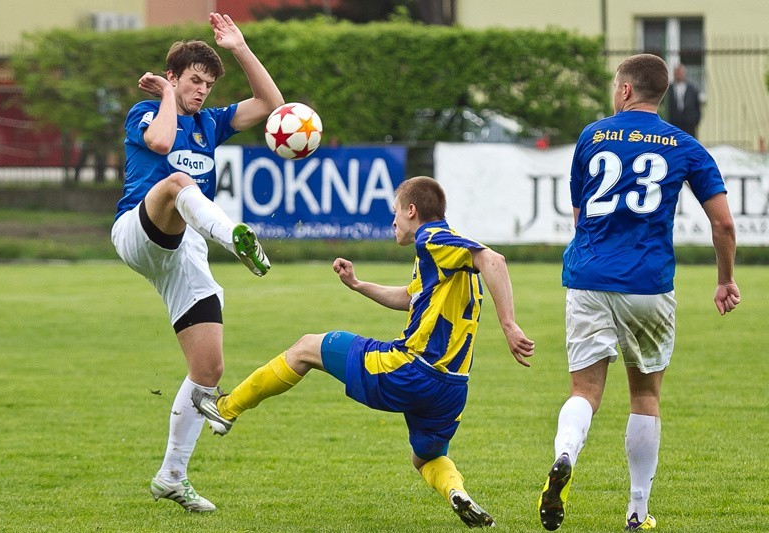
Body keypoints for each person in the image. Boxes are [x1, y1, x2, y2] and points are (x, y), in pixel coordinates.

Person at [191, 176, 536, 528]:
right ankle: (456, 492)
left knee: (306, 347)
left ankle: (226, 408)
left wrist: (509, 325)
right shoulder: (443, 258)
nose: (393, 223)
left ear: (412, 211)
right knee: (426, 458)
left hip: (412, 370)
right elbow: (408, 298)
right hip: (452, 389)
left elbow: (494, 259)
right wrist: (357, 285)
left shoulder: (432, 238)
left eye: (396, 213)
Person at [537, 53, 740, 531]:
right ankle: (637, 511)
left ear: (625, 91)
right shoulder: (685, 145)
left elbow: (579, 213)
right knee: (645, 395)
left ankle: (565, 454)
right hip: (648, 283)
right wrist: (725, 278)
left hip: (588, 278)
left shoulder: (593, 136)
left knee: (584, 390)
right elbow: (724, 224)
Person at [110, 12, 284, 512]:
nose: (202, 90)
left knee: (208, 369)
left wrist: (240, 48)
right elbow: (162, 144)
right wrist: (167, 97)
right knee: (177, 183)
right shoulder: (146, 110)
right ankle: (237, 239)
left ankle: (171, 475)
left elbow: (274, 106)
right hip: (138, 231)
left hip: (185, 250)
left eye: (207, 83)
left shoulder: (212, 122)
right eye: (193, 81)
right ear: (173, 78)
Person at [666, 64, 702, 138]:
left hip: (689, 126)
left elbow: (697, 107)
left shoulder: (692, 89)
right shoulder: (668, 89)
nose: (679, 75)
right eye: (677, 73)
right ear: (674, 74)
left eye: (681, 73)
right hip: (673, 124)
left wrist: (694, 121)